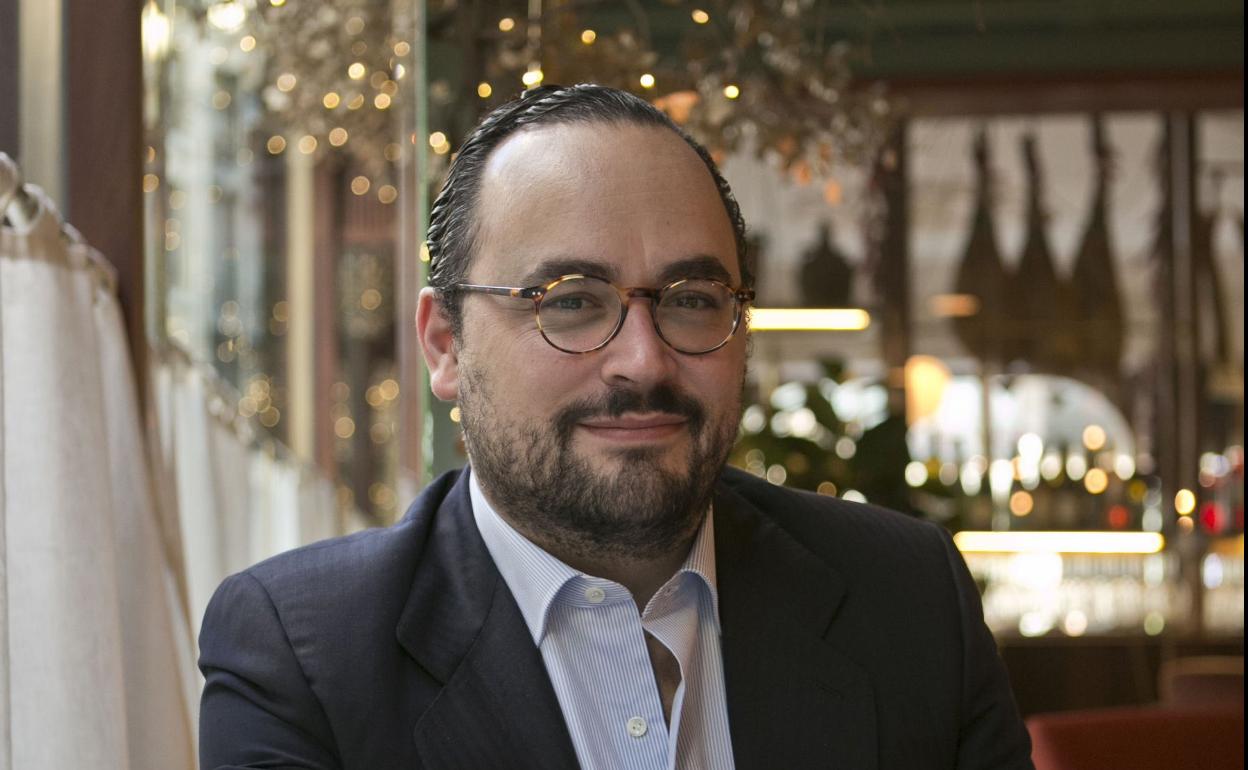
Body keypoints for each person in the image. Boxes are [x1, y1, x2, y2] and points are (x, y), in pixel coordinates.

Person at [198, 84, 1034, 770]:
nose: (643, 360)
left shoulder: (907, 600)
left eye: (693, 300)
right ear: (445, 345)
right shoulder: (305, 657)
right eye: (570, 302)